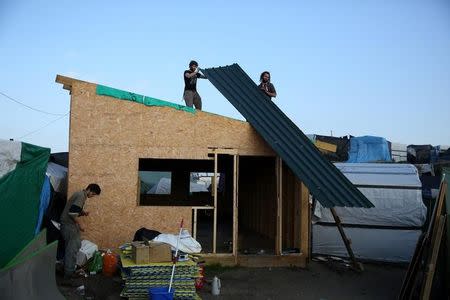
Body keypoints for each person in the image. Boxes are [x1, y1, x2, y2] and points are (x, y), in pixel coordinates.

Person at [60, 183, 101, 279]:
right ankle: (68, 274)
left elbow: (75, 209)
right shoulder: (81, 196)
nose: (93, 196)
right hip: (68, 224)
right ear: (89, 190)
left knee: (73, 245)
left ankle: (67, 269)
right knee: (72, 248)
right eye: (93, 194)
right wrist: (80, 224)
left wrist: (83, 213)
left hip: (68, 224)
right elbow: (72, 213)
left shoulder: (80, 194)